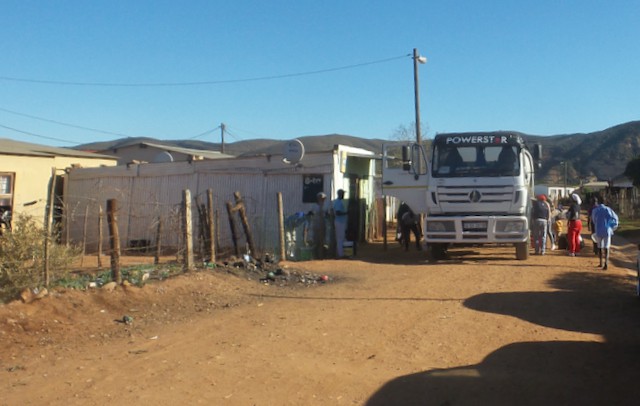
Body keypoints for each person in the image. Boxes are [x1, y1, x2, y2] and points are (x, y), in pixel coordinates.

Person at [590, 197, 619, 270]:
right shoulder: (608, 209)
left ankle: (600, 262)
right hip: (607, 230)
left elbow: (593, 220)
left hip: (598, 230)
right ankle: (606, 263)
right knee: (607, 247)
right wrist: (612, 226)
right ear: (604, 202)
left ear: (598, 202)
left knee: (599, 247)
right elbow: (615, 218)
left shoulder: (595, 210)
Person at [332, 189, 348, 258]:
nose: (344, 195)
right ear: (340, 194)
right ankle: (340, 254)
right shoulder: (338, 202)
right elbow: (338, 213)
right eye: (343, 194)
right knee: (340, 238)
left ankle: (341, 253)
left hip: (340, 222)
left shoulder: (338, 202)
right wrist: (346, 213)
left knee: (341, 238)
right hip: (339, 222)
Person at [312, 192, 327, 259]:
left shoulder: (324, 206)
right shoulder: (315, 206)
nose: (323, 200)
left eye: (323, 199)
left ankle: (321, 256)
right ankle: (316, 256)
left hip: (323, 225)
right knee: (316, 241)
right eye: (322, 198)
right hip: (317, 226)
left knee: (322, 241)